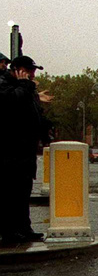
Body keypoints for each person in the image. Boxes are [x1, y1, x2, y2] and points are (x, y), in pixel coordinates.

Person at [0, 55, 52, 246]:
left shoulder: (27, 88)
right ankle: (9, 232)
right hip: (9, 151)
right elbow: (10, 104)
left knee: (22, 192)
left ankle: (24, 229)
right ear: (18, 70)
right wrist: (24, 86)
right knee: (9, 194)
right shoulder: (5, 83)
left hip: (25, 151)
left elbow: (32, 114)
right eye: (30, 70)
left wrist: (45, 128)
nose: (33, 74)